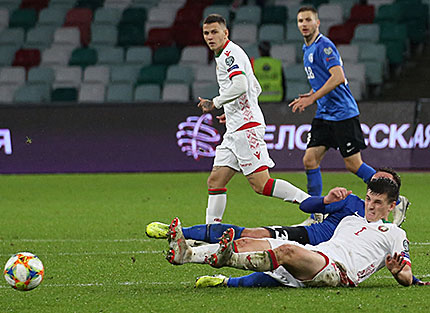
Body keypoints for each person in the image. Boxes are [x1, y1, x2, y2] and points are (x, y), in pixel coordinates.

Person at [166, 178, 429, 288]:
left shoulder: (395, 232)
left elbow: (406, 275)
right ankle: (186, 254)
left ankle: (227, 259)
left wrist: (399, 273)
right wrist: (326, 200)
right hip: (318, 256)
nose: (370, 206)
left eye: (378, 203)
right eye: (369, 199)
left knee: (286, 251)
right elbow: (310, 207)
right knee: (247, 241)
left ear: (391, 206)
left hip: (338, 271)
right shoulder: (349, 219)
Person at [196, 14, 309, 224]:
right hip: (235, 127)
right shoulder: (224, 55)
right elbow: (255, 87)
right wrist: (231, 111)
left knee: (261, 185)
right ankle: (211, 231)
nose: (210, 37)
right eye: (206, 33)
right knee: (215, 181)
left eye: (214, 32)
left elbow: (241, 85)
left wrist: (216, 102)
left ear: (225, 33)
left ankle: (314, 206)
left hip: (246, 128)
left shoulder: (230, 54)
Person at [288, 7, 376, 216]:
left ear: (317, 23)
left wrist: (312, 98)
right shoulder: (306, 48)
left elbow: (337, 77)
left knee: (354, 164)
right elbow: (321, 80)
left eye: (308, 20)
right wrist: (310, 93)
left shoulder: (324, 46)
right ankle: (316, 214)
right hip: (324, 114)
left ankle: (394, 197)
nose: (304, 24)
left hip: (342, 113)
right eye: (300, 20)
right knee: (310, 159)